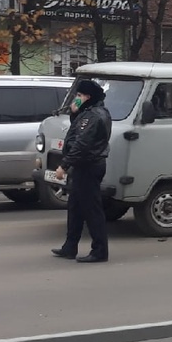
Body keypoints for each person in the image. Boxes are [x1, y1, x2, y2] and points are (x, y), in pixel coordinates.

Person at [51, 80, 112, 263]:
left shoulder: (93, 116)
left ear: (88, 97)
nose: (76, 99)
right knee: (75, 207)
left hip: (89, 166)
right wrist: (74, 111)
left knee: (92, 210)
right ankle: (70, 247)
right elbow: (76, 134)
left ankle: (100, 251)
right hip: (83, 165)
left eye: (79, 96)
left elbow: (82, 144)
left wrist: (64, 165)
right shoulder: (88, 113)